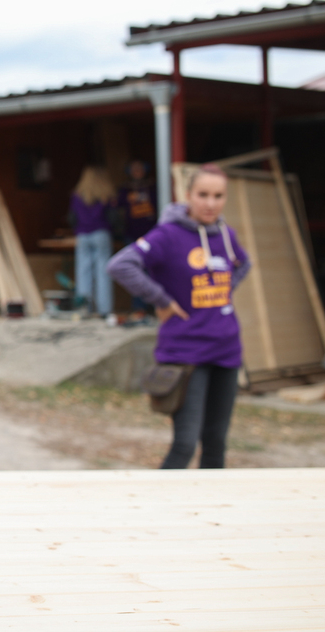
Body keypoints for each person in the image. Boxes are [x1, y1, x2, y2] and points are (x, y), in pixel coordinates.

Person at [107, 163, 251, 469]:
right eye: (203, 194)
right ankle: (161, 501)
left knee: (216, 444)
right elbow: (120, 265)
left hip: (226, 349)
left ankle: (211, 501)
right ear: (187, 194)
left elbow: (244, 263)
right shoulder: (168, 235)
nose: (211, 203)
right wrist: (162, 300)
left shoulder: (226, 234)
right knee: (185, 444)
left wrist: (224, 290)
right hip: (185, 351)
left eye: (218, 196)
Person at [68, 166, 116, 318]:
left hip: (82, 235)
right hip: (101, 233)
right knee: (103, 272)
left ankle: (84, 309)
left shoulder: (77, 195)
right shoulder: (105, 195)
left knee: (83, 271)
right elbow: (113, 217)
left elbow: (72, 218)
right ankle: (104, 310)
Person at [116, 160, 157, 314]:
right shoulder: (125, 189)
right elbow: (116, 208)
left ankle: (157, 305)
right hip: (131, 235)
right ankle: (139, 308)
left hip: (151, 235)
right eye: (134, 169)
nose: (137, 172)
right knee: (135, 272)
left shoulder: (153, 187)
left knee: (153, 270)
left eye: (140, 169)